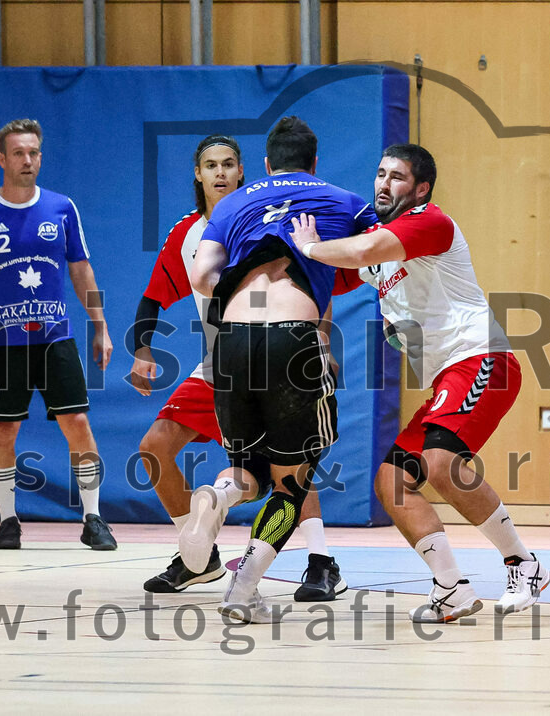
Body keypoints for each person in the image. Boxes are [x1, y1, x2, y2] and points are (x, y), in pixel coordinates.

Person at [289, 143, 550, 623]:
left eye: (397, 177)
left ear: (421, 189)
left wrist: (306, 245)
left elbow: (359, 250)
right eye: (380, 173)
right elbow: (326, 276)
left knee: (439, 462)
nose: (384, 184)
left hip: (482, 359)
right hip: (445, 379)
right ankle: (451, 588)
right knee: (392, 483)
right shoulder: (376, 248)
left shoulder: (431, 222)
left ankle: (523, 565)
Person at [130, 134, 346, 600]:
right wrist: (142, 350)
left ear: (248, 171)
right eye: (212, 165)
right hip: (222, 364)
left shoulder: (272, 215)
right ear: (198, 175)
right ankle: (199, 555)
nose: (221, 173)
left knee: (287, 462)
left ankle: (320, 560)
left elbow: (315, 281)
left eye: (230, 163)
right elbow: (153, 295)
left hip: (280, 350)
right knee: (154, 448)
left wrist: (321, 341)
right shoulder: (188, 234)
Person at [188, 116, 377, 623]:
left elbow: (203, 278)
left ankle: (215, 496)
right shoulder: (343, 200)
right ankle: (241, 588)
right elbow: (383, 256)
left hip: (230, 342)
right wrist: (314, 253)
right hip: (291, 339)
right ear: (314, 163)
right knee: (291, 483)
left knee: (245, 472)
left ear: (266, 165)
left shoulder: (230, 204)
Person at [0, 118, 116, 550]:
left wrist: (100, 326)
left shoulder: (61, 208)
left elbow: (81, 269)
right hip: (5, 344)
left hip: (56, 338)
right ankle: (8, 520)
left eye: (33, 152)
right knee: (4, 430)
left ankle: (93, 516)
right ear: (2, 159)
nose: (27, 160)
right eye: (18, 153)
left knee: (77, 422)